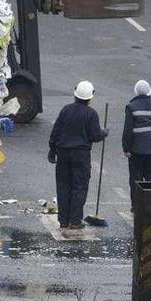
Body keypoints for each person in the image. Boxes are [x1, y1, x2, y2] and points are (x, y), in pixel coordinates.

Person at [48, 81, 108, 230]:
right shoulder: (91, 114)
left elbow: (55, 132)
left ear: (75, 93)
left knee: (63, 186)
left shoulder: (66, 110)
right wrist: (104, 133)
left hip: (63, 153)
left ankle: (63, 219)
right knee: (79, 187)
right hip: (80, 155)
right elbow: (95, 135)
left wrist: (52, 150)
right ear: (90, 97)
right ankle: (75, 220)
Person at [123, 80, 151, 201]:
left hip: (136, 151)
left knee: (136, 179)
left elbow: (128, 131)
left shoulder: (131, 107)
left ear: (136, 92)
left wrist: (126, 149)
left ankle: (136, 205)